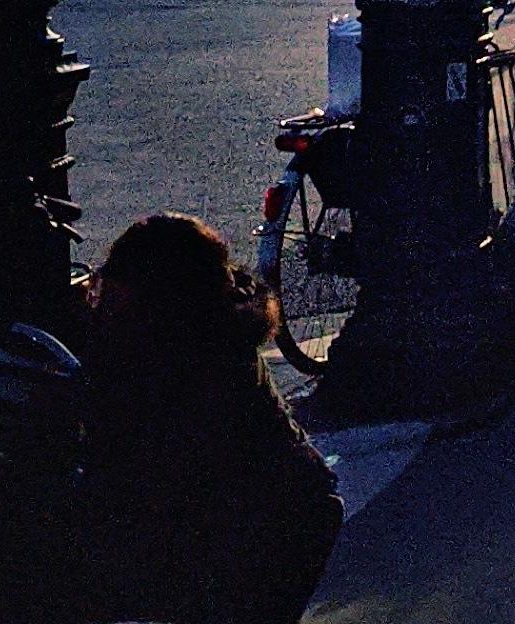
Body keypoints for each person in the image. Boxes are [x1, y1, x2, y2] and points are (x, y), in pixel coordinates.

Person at [71, 213, 342, 624]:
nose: (106, 296)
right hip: (276, 509)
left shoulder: (199, 359)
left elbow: (143, 467)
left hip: (266, 527)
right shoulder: (211, 323)